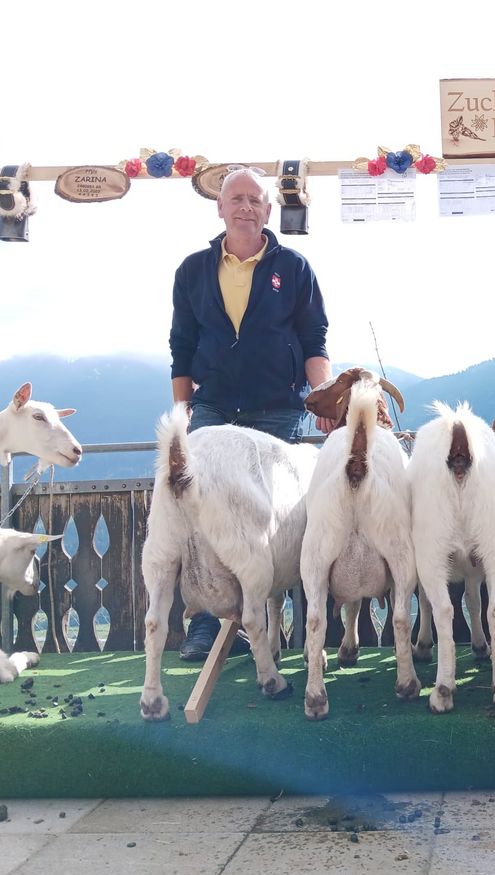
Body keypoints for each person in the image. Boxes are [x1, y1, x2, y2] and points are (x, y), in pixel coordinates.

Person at [168, 165, 336, 660]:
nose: (246, 207)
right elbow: (181, 347)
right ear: (220, 207)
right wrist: (181, 414)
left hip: (278, 409)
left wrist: (324, 398)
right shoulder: (192, 271)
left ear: (268, 209)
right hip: (213, 407)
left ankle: (264, 623)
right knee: (200, 510)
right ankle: (205, 623)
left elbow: (314, 341)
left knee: (275, 516)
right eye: (236, 199)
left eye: (255, 200)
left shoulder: (295, 268)